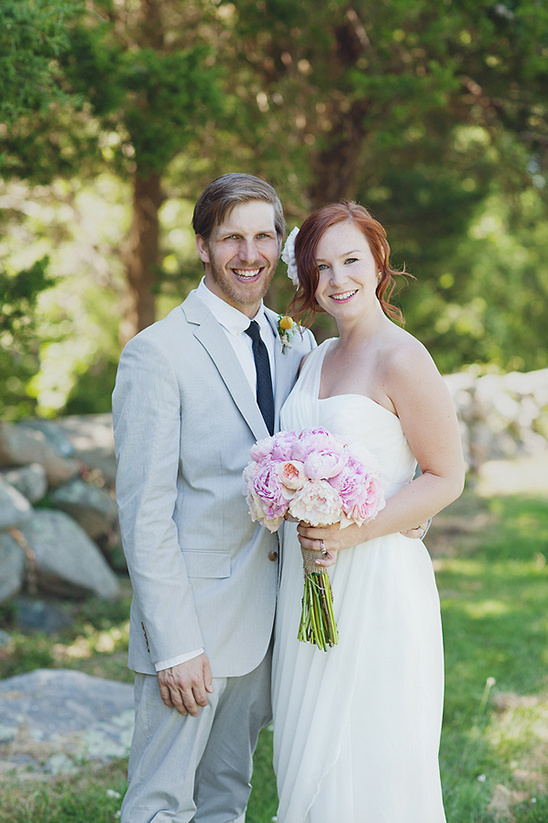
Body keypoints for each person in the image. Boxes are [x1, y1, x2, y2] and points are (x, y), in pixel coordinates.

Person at [112, 173, 315, 823]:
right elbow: (144, 512)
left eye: (263, 236)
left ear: (280, 245)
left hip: (267, 625)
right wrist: (173, 644)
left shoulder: (293, 341)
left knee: (226, 798)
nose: (248, 253)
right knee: (160, 803)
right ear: (203, 245)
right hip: (191, 627)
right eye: (231, 237)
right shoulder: (156, 354)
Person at [271, 202, 465, 823]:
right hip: (306, 585)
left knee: (373, 756)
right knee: (306, 757)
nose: (337, 279)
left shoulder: (404, 359)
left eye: (351, 260)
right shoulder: (313, 358)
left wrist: (349, 533)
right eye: (321, 267)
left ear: (379, 263)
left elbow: (446, 476)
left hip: (378, 582)